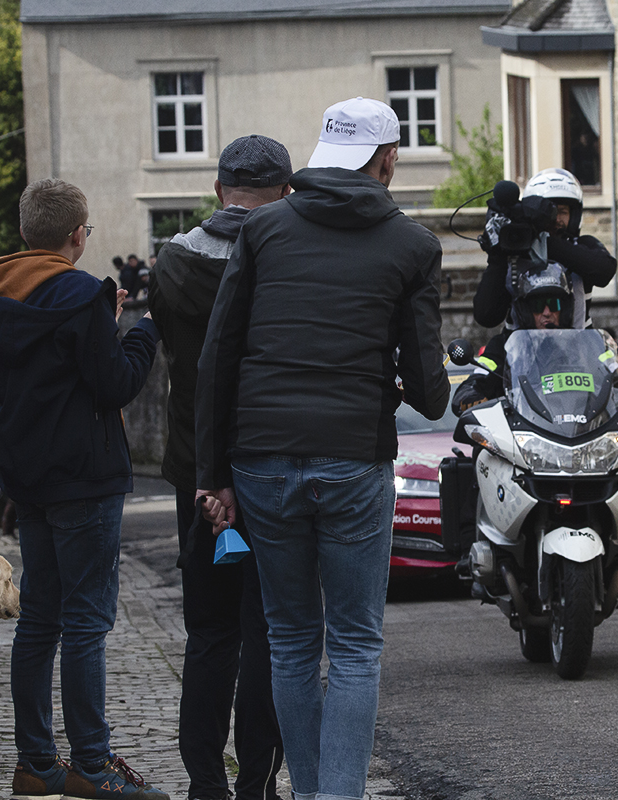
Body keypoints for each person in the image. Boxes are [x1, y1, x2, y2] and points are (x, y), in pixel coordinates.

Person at [194, 96, 450, 800]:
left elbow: (218, 356)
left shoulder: (264, 228)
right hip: (353, 458)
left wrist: (213, 473)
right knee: (357, 645)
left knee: (291, 641)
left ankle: (308, 793)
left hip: (262, 459)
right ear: (387, 159)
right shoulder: (413, 245)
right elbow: (431, 393)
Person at [0, 179, 165, 799]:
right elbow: (114, 384)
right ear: (77, 235)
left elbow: (44, 367)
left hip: (27, 475)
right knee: (85, 622)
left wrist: (99, 323)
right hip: (84, 473)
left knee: (39, 620)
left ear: (26, 232)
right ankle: (92, 764)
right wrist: (143, 331)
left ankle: (35, 763)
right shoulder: (81, 295)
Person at [147, 134, 290, 800]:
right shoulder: (286, 259)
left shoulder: (172, 263)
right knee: (267, 630)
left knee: (208, 631)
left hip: (196, 468)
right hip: (270, 460)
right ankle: (257, 781)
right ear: (285, 192)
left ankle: (205, 782)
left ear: (217, 190)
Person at [472, 167, 616, 330]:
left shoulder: (583, 246)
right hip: (521, 344)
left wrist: (545, 242)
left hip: (577, 343)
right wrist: (497, 257)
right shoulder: (514, 251)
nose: (556, 219)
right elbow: (486, 316)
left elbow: (605, 270)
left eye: (562, 212)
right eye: (549, 213)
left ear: (574, 216)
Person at [453, 263, 574, 415]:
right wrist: (470, 393)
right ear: (526, 311)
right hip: (523, 425)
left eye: (554, 304)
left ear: (564, 308)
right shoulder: (505, 346)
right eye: (538, 306)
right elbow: (480, 375)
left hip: (578, 425)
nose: (547, 313)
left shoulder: (581, 346)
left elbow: (603, 373)